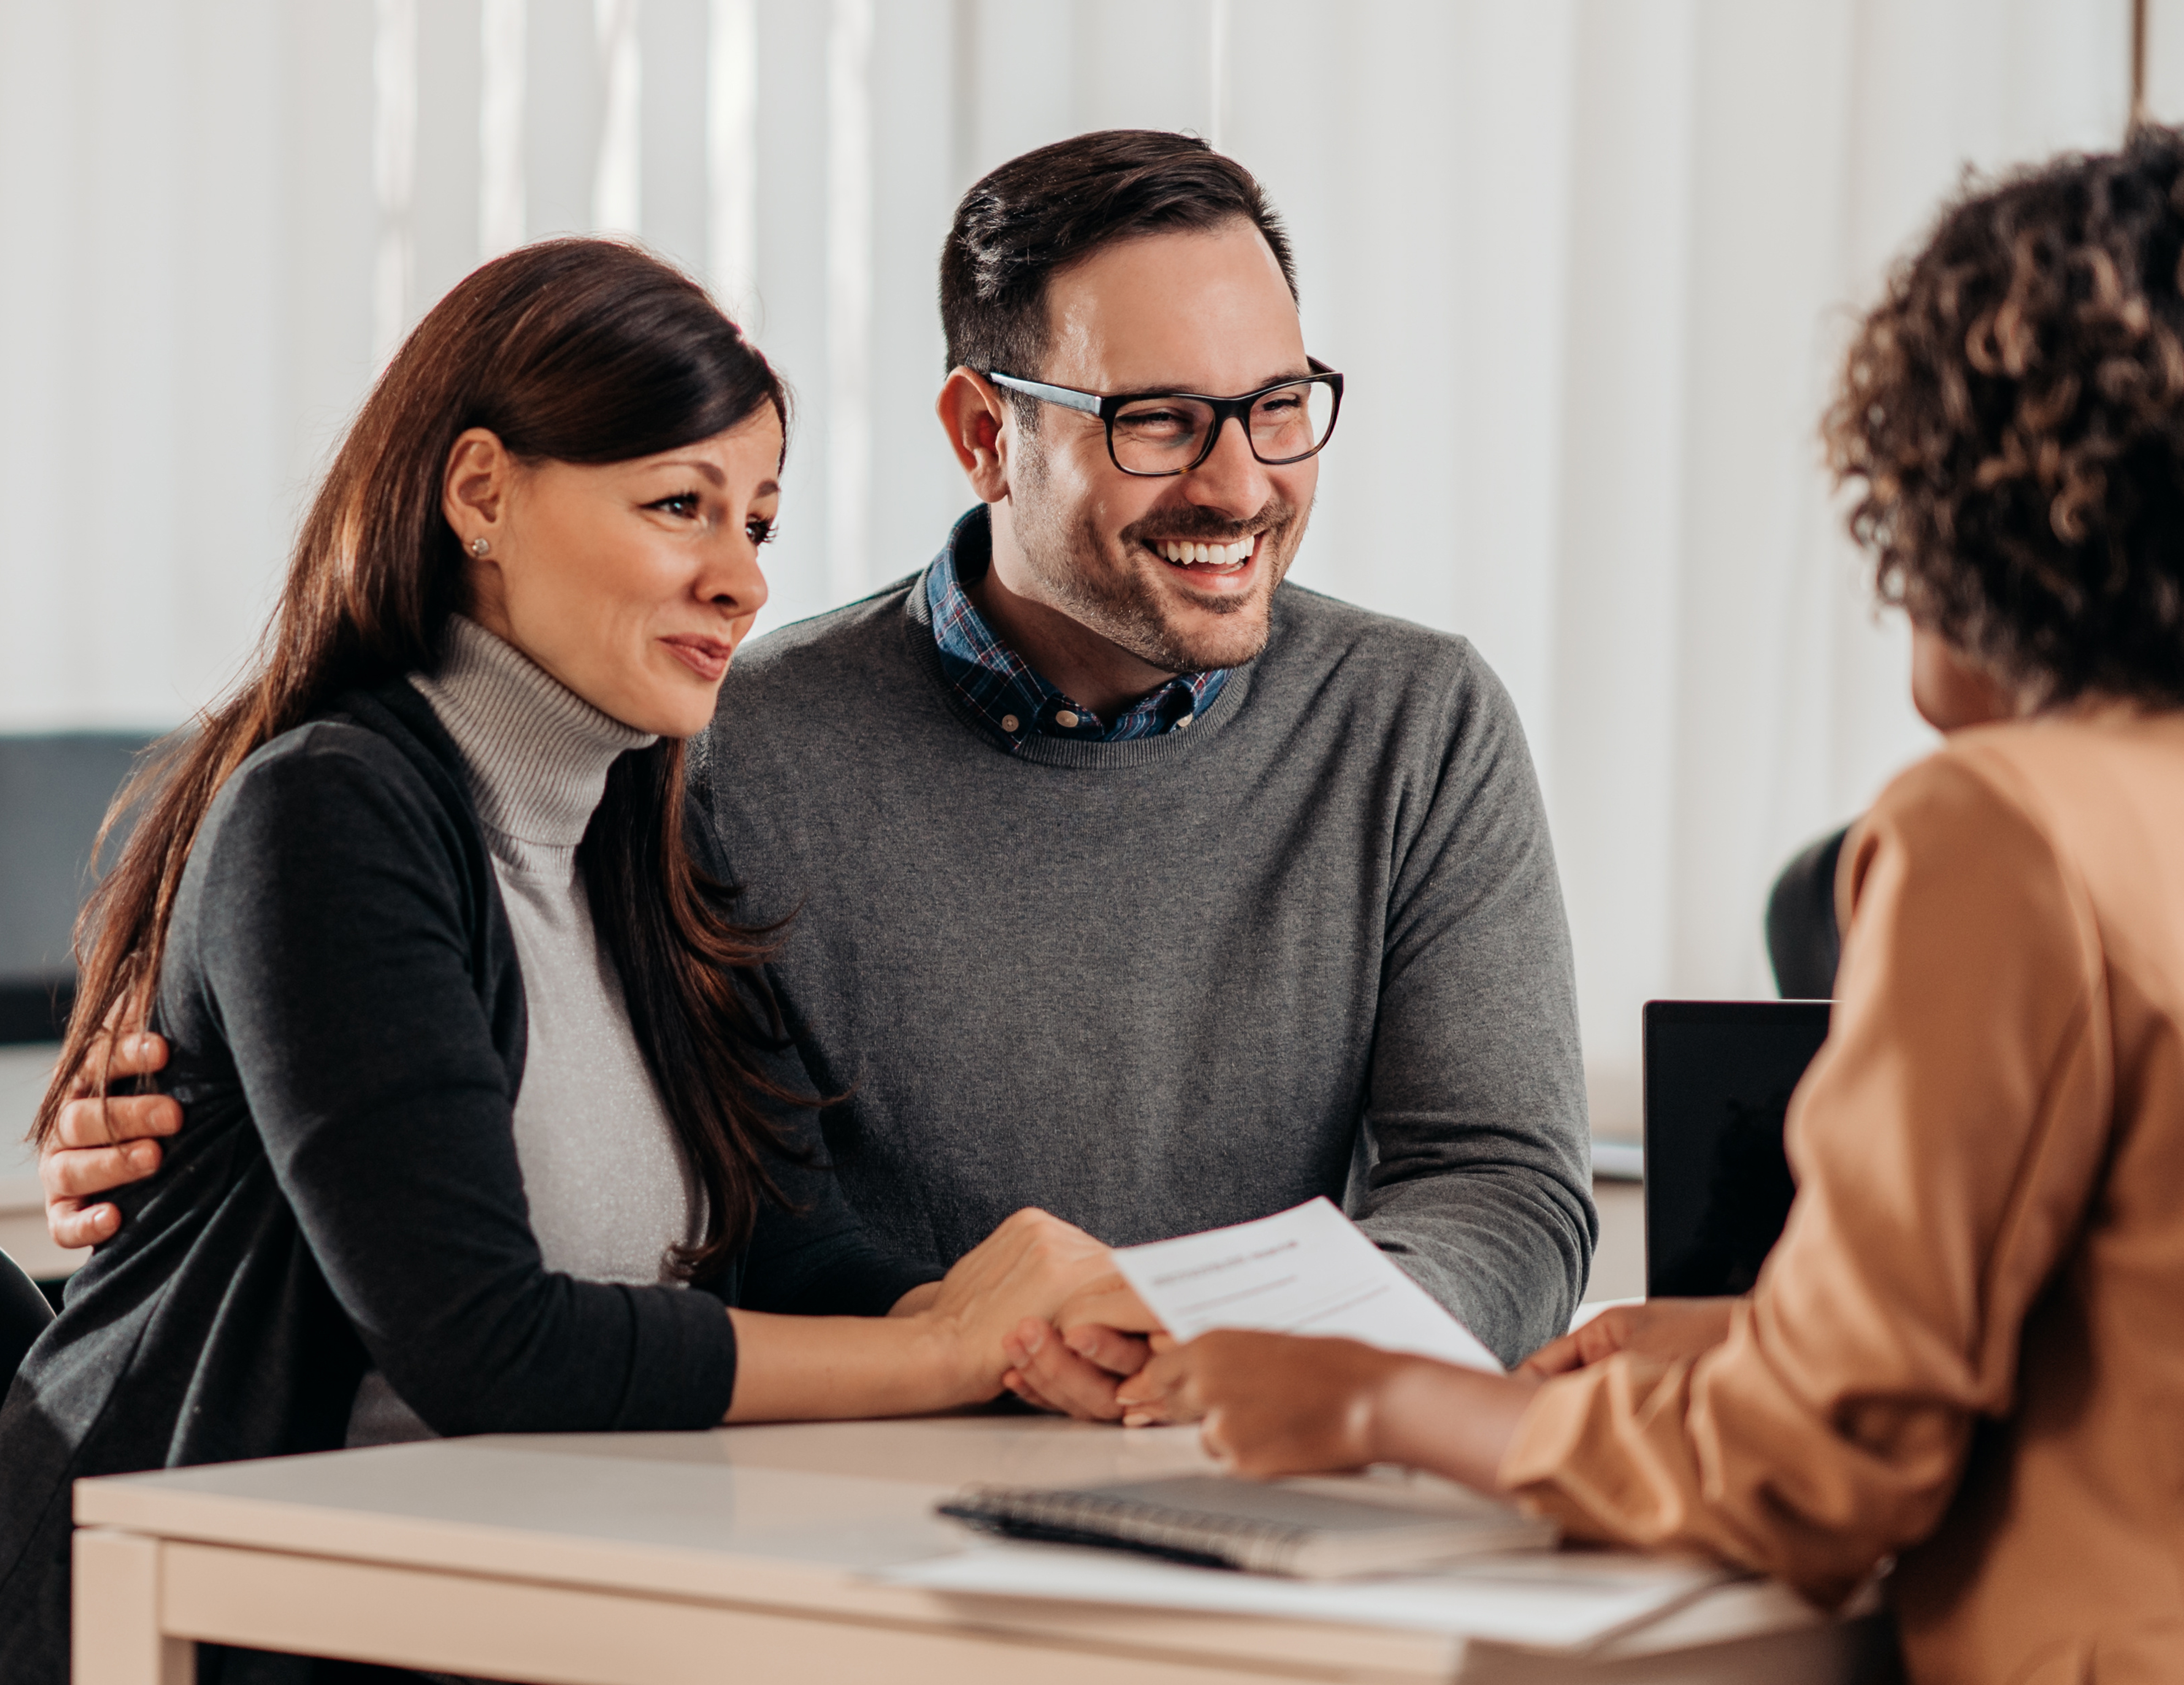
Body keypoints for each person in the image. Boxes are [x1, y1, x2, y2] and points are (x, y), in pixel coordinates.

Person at [1108, 127, 2184, 1683]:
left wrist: (1380, 1401)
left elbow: (1813, 1476)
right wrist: (1745, 1336)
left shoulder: (2013, 828)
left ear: (2014, 494)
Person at [41, 130, 1597, 1402]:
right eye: (1159, 421)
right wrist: (210, 1104)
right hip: (778, 1515)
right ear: (984, 435)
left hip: (1227, 1455)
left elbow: (1500, 1188)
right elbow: (537, 1273)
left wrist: (1262, 1354)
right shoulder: (709, 749)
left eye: (1275, 408)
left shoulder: (1418, 722)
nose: (1242, 480)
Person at [0, 240, 1115, 1685]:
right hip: (245, 1619)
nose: (740, 581)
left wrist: (1021, 1333)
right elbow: (485, 1344)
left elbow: (795, 1242)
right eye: (679, 507)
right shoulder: (332, 813)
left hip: (529, 1589)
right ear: (480, 493)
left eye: (759, 525)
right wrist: (950, 1353)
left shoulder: (639, 833)